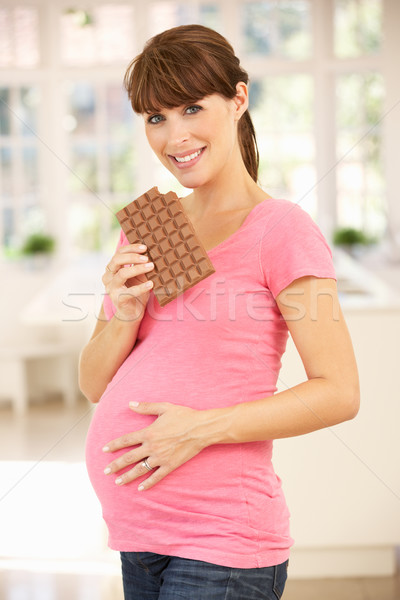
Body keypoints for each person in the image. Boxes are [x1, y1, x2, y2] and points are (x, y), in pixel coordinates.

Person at [80, 24, 360, 600]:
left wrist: (199, 431)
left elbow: (340, 391)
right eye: (156, 118)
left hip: (222, 542)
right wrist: (125, 310)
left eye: (190, 108)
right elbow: (92, 384)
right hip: (138, 536)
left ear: (238, 98)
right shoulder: (150, 228)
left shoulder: (280, 230)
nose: (174, 136)